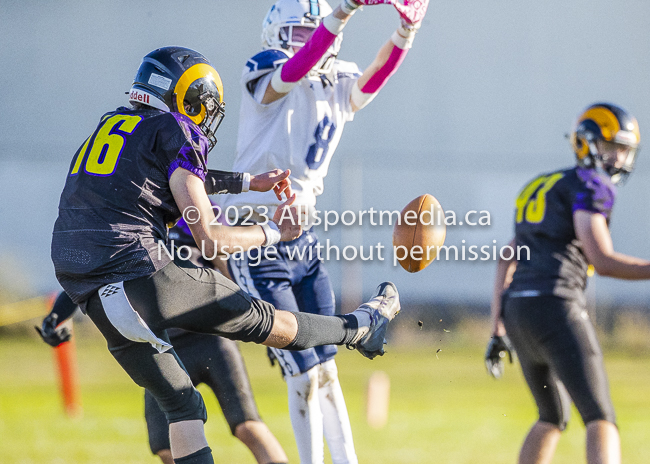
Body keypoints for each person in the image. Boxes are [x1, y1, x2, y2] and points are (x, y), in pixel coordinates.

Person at [51, 45, 401, 464]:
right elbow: (210, 238)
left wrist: (248, 182)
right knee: (271, 323)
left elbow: (172, 175)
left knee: (182, 406)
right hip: (140, 271)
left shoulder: (114, 123)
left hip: (89, 290)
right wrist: (274, 230)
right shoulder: (173, 130)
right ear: (186, 97)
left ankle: (360, 327)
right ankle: (361, 327)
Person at [219, 1, 428, 462]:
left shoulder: (336, 78)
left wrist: (405, 34)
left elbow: (372, 79)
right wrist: (343, 12)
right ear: (275, 34)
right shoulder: (264, 69)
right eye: (297, 32)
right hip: (256, 238)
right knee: (303, 373)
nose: (305, 40)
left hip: (301, 238)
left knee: (327, 367)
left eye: (309, 32)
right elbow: (292, 72)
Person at [40, 170, 292, 464]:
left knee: (247, 425)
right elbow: (97, 277)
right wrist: (58, 314)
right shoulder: (134, 221)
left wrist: (266, 329)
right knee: (166, 447)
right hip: (164, 345)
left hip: (207, 341)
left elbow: (228, 271)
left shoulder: (194, 214)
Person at [485, 103, 644, 464]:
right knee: (601, 416)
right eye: (612, 147)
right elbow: (601, 260)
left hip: (519, 310)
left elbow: (507, 256)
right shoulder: (591, 185)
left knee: (552, 416)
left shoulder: (543, 185)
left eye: (624, 150)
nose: (619, 158)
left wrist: (497, 327)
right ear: (587, 144)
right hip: (556, 305)